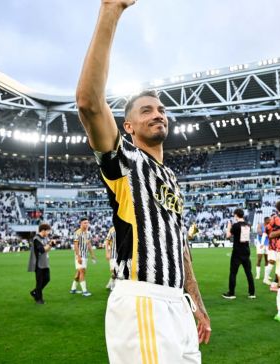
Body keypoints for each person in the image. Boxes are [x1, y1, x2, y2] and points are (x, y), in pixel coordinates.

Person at [76, 1, 210, 362]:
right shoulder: (124, 162)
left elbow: (179, 244)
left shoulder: (170, 178)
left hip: (176, 303)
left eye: (162, 110)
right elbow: (88, 103)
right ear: (128, 127)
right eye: (146, 110)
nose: (158, 114)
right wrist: (112, 10)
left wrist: (194, 301)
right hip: (141, 298)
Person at [222, 208, 255, 299]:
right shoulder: (248, 225)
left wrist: (229, 226)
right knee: (248, 272)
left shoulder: (236, 225)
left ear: (236, 215)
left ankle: (231, 293)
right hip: (246, 250)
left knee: (233, 273)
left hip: (237, 251)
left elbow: (228, 236)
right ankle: (252, 293)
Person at [27, 223, 56, 304]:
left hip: (45, 262)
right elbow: (42, 250)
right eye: (48, 231)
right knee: (39, 281)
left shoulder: (45, 238)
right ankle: (39, 299)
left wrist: (51, 244)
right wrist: (50, 244)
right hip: (38, 263)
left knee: (47, 279)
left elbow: (47, 250)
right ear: (43, 230)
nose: (48, 233)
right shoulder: (36, 239)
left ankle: (34, 292)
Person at [71, 218, 96, 297]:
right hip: (79, 255)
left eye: (87, 223)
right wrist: (78, 256)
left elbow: (89, 245)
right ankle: (84, 291)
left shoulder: (88, 233)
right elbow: (75, 245)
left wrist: (92, 255)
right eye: (85, 223)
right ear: (80, 224)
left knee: (79, 272)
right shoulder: (77, 233)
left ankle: (73, 289)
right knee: (82, 271)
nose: (86, 224)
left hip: (85, 255)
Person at [105, 226, 117, 290]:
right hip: (113, 254)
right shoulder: (112, 229)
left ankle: (109, 285)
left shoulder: (125, 227)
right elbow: (107, 242)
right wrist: (107, 253)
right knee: (114, 271)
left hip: (122, 255)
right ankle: (112, 287)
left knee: (118, 272)